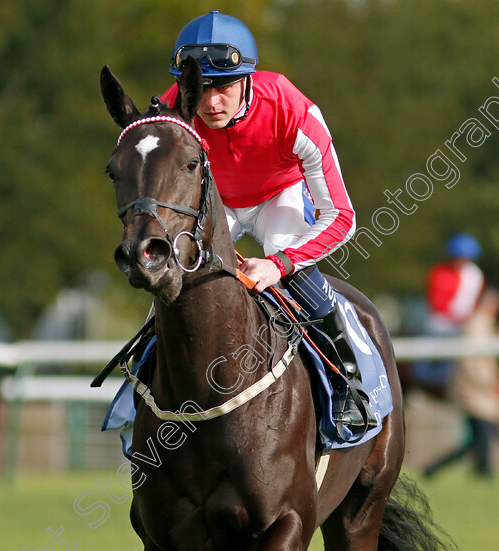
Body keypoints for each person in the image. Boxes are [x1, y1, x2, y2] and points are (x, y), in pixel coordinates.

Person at [159, 11, 371, 431]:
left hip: (280, 195)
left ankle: (348, 380)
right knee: (169, 278)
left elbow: (342, 216)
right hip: (215, 203)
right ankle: (141, 396)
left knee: (289, 270)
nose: (210, 102)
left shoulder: (293, 110)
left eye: (223, 87)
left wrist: (280, 264)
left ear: (247, 79)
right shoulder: (170, 110)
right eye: (200, 88)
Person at [422, 289, 499, 478]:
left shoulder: (482, 323)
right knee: (483, 434)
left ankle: (439, 469)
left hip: (476, 389)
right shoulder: (479, 324)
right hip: (475, 390)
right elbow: (474, 362)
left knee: (479, 437)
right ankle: (483, 472)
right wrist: (491, 383)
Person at [412, 233, 484, 392]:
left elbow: (475, 302)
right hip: (440, 325)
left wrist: (469, 318)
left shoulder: (475, 274)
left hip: (466, 325)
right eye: (457, 257)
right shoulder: (440, 273)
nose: (460, 261)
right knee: (425, 359)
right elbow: (437, 304)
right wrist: (457, 318)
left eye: (464, 258)